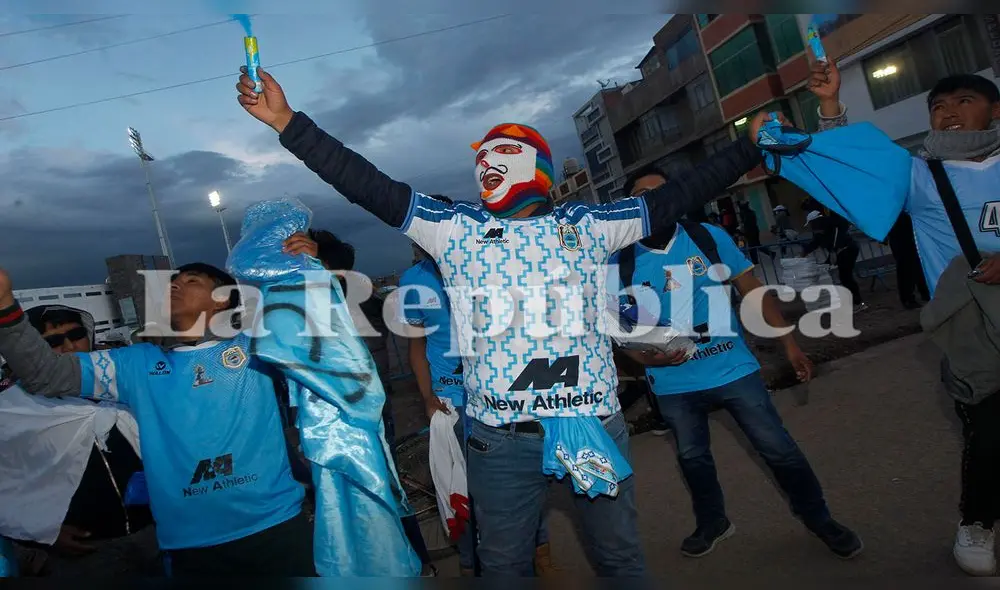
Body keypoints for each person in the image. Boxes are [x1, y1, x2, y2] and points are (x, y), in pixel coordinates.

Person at [236, 64, 777, 576]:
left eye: (502, 154)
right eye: (482, 158)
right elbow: (366, 182)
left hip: (592, 422)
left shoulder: (590, 224)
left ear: (535, 166)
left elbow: (684, 192)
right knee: (502, 566)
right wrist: (288, 123)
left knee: (619, 561)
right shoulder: (453, 228)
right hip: (500, 440)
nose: (487, 166)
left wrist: (750, 144)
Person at [0, 264, 314, 577]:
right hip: (189, 546)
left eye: (191, 281)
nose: (174, 286)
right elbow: (46, 374)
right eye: (171, 282)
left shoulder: (257, 348)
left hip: (276, 527)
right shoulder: (135, 364)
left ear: (222, 299)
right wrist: (4, 304)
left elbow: (327, 339)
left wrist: (310, 267)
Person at [810, 56, 1000, 576]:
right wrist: (830, 105)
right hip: (970, 330)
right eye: (939, 106)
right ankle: (977, 524)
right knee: (988, 427)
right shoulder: (918, 174)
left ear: (995, 110)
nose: (949, 112)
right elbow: (853, 166)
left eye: (964, 101)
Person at [612, 168, 862, 560]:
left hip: (733, 369)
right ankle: (713, 523)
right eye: (645, 194)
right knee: (692, 457)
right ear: (632, 205)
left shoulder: (707, 237)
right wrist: (645, 358)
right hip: (673, 384)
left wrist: (790, 345)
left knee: (777, 448)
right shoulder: (620, 261)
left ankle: (819, 518)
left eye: (665, 191)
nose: (657, 200)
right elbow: (622, 330)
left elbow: (753, 292)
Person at [400, 238, 557, 576]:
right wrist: (428, 396)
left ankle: (538, 548)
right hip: (450, 402)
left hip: (500, 396)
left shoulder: (488, 265)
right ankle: (472, 562)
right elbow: (416, 346)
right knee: (463, 487)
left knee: (519, 479)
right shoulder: (412, 280)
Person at [287, 229, 439, 577]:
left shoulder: (353, 306)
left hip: (360, 423)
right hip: (338, 425)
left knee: (381, 491)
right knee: (371, 495)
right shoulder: (337, 303)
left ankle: (418, 565)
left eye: (307, 260)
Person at [0, 305, 158, 578]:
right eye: (52, 341)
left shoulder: (123, 386)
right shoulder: (13, 409)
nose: (70, 346)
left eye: (76, 334)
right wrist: (43, 531)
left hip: (157, 536)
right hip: (84, 555)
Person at [801, 209, 867, 313]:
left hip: (847, 250)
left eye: (812, 224)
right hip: (840, 252)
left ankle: (858, 303)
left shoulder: (834, 226)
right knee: (844, 277)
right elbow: (815, 243)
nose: (812, 228)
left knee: (846, 277)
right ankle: (852, 301)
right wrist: (803, 254)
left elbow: (837, 240)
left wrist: (834, 251)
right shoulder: (821, 232)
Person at [886, 213, 930, 309]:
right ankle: (908, 298)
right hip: (902, 235)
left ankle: (924, 293)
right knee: (906, 269)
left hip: (908, 234)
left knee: (917, 266)